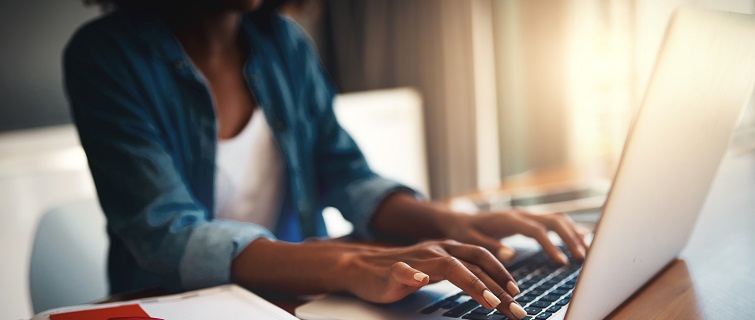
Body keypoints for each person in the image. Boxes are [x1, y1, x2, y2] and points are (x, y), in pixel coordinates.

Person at [64, 0, 587, 319]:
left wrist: (454, 222)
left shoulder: (284, 44)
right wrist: (348, 263)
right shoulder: (105, 56)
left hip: (295, 298)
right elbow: (166, 232)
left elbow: (346, 173)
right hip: (178, 304)